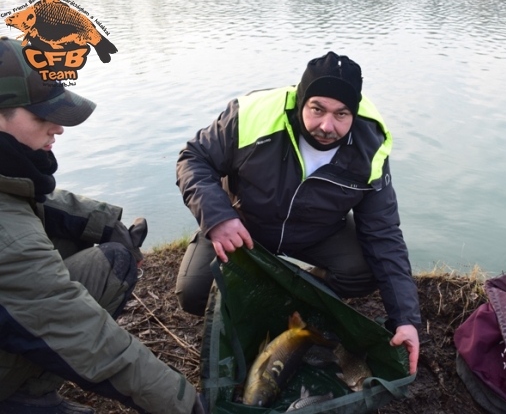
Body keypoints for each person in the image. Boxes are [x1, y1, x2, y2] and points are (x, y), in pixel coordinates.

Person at [176, 51, 421, 374]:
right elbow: (193, 159)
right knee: (193, 294)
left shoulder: (370, 145)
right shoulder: (253, 114)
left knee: (366, 270)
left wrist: (405, 319)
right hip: (243, 224)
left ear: (354, 112)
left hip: (317, 231)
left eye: (341, 114)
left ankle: (297, 301)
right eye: (317, 109)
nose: (327, 125)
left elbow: (384, 232)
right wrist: (218, 217)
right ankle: (283, 299)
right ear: (301, 99)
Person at [0, 37, 206, 414]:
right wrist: (187, 404)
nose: (57, 129)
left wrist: (106, 222)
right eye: (41, 116)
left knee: (82, 238)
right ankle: (20, 398)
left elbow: (31, 197)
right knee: (104, 274)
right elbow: (83, 333)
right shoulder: (9, 240)